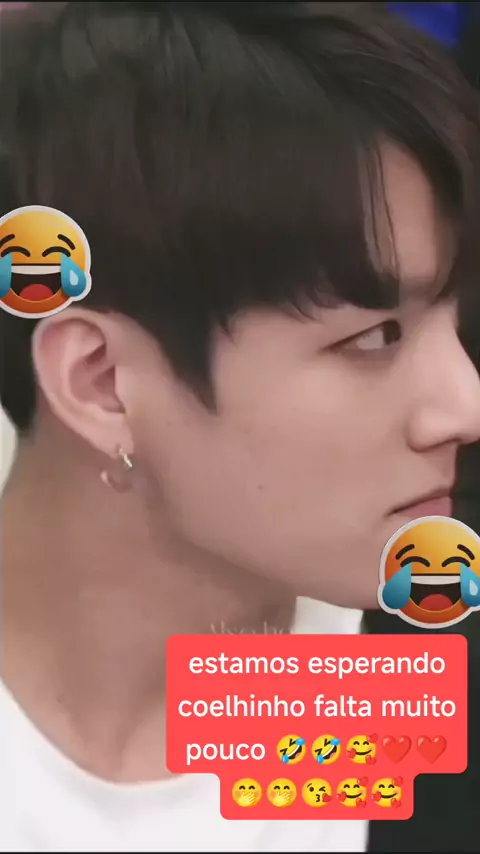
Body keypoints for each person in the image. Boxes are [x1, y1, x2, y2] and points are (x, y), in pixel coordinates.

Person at [1, 2, 480, 851]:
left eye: (454, 316)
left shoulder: (403, 693)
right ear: (101, 385)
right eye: (376, 337)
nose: (465, 408)